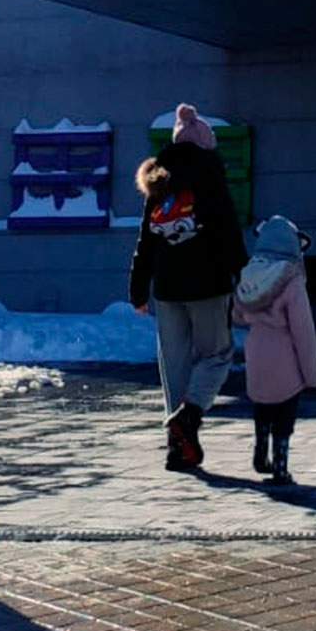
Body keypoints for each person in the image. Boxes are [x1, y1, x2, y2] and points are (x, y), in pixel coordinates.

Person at [129, 103, 248, 471]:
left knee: (174, 366)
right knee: (217, 355)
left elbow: (146, 239)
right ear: (205, 145)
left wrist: (138, 288)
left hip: (167, 289)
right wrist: (244, 276)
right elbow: (227, 229)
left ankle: (176, 449)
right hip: (208, 285)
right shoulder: (209, 173)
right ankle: (189, 415)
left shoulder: (158, 178)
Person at [231, 215, 316, 485]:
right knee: (285, 409)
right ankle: (280, 467)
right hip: (284, 353)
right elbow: (303, 331)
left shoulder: (250, 274)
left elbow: (237, 315)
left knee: (262, 404)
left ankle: (261, 453)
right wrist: (312, 375)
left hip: (256, 349)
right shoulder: (292, 280)